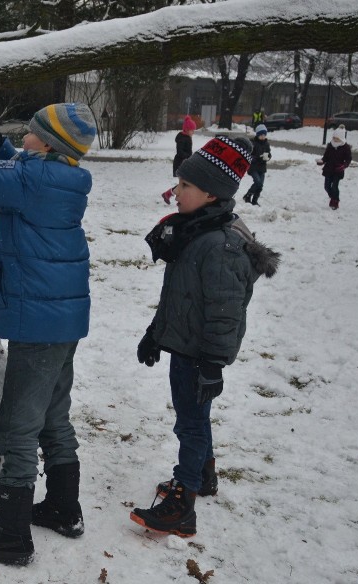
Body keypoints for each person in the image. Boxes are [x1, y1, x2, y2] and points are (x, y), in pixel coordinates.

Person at [0, 79, 96, 566]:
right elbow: (15, 169)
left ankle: (10, 533)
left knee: (18, 428)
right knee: (53, 414)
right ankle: (64, 507)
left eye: (30, 133)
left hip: (39, 322)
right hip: (61, 319)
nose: (23, 137)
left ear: (47, 145)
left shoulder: (33, 180)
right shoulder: (58, 175)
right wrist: (0, 143)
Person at [131, 135, 280, 537]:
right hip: (184, 345)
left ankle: (184, 503)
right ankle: (203, 474)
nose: (175, 192)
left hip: (200, 354)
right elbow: (180, 297)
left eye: (185, 186)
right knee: (195, 418)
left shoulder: (220, 245)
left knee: (191, 424)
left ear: (211, 194)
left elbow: (224, 313)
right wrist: (154, 334)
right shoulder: (197, 231)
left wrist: (213, 364)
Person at [316, 126, 352, 210]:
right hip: (329, 169)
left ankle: (335, 201)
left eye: (337, 138)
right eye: (334, 138)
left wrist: (344, 165)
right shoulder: (330, 145)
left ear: (341, 138)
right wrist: (321, 161)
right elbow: (326, 157)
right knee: (327, 186)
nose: (335, 140)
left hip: (338, 170)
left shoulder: (346, 147)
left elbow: (348, 159)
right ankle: (333, 197)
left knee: (334, 186)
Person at [165, 115, 196, 204]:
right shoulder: (182, 139)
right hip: (181, 162)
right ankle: (173, 196)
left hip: (185, 162)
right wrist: (188, 156)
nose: (193, 132)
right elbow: (180, 152)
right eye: (192, 130)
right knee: (185, 183)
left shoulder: (186, 138)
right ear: (187, 129)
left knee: (185, 183)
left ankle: (169, 194)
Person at [242, 124, 272, 205]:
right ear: (258, 135)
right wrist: (258, 157)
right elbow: (249, 155)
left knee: (260, 185)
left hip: (262, 167)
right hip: (253, 167)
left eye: (264, 134)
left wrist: (268, 156)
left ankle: (255, 201)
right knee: (258, 182)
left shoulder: (266, 144)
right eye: (261, 135)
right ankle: (248, 195)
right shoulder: (253, 143)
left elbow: (269, 153)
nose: (263, 136)